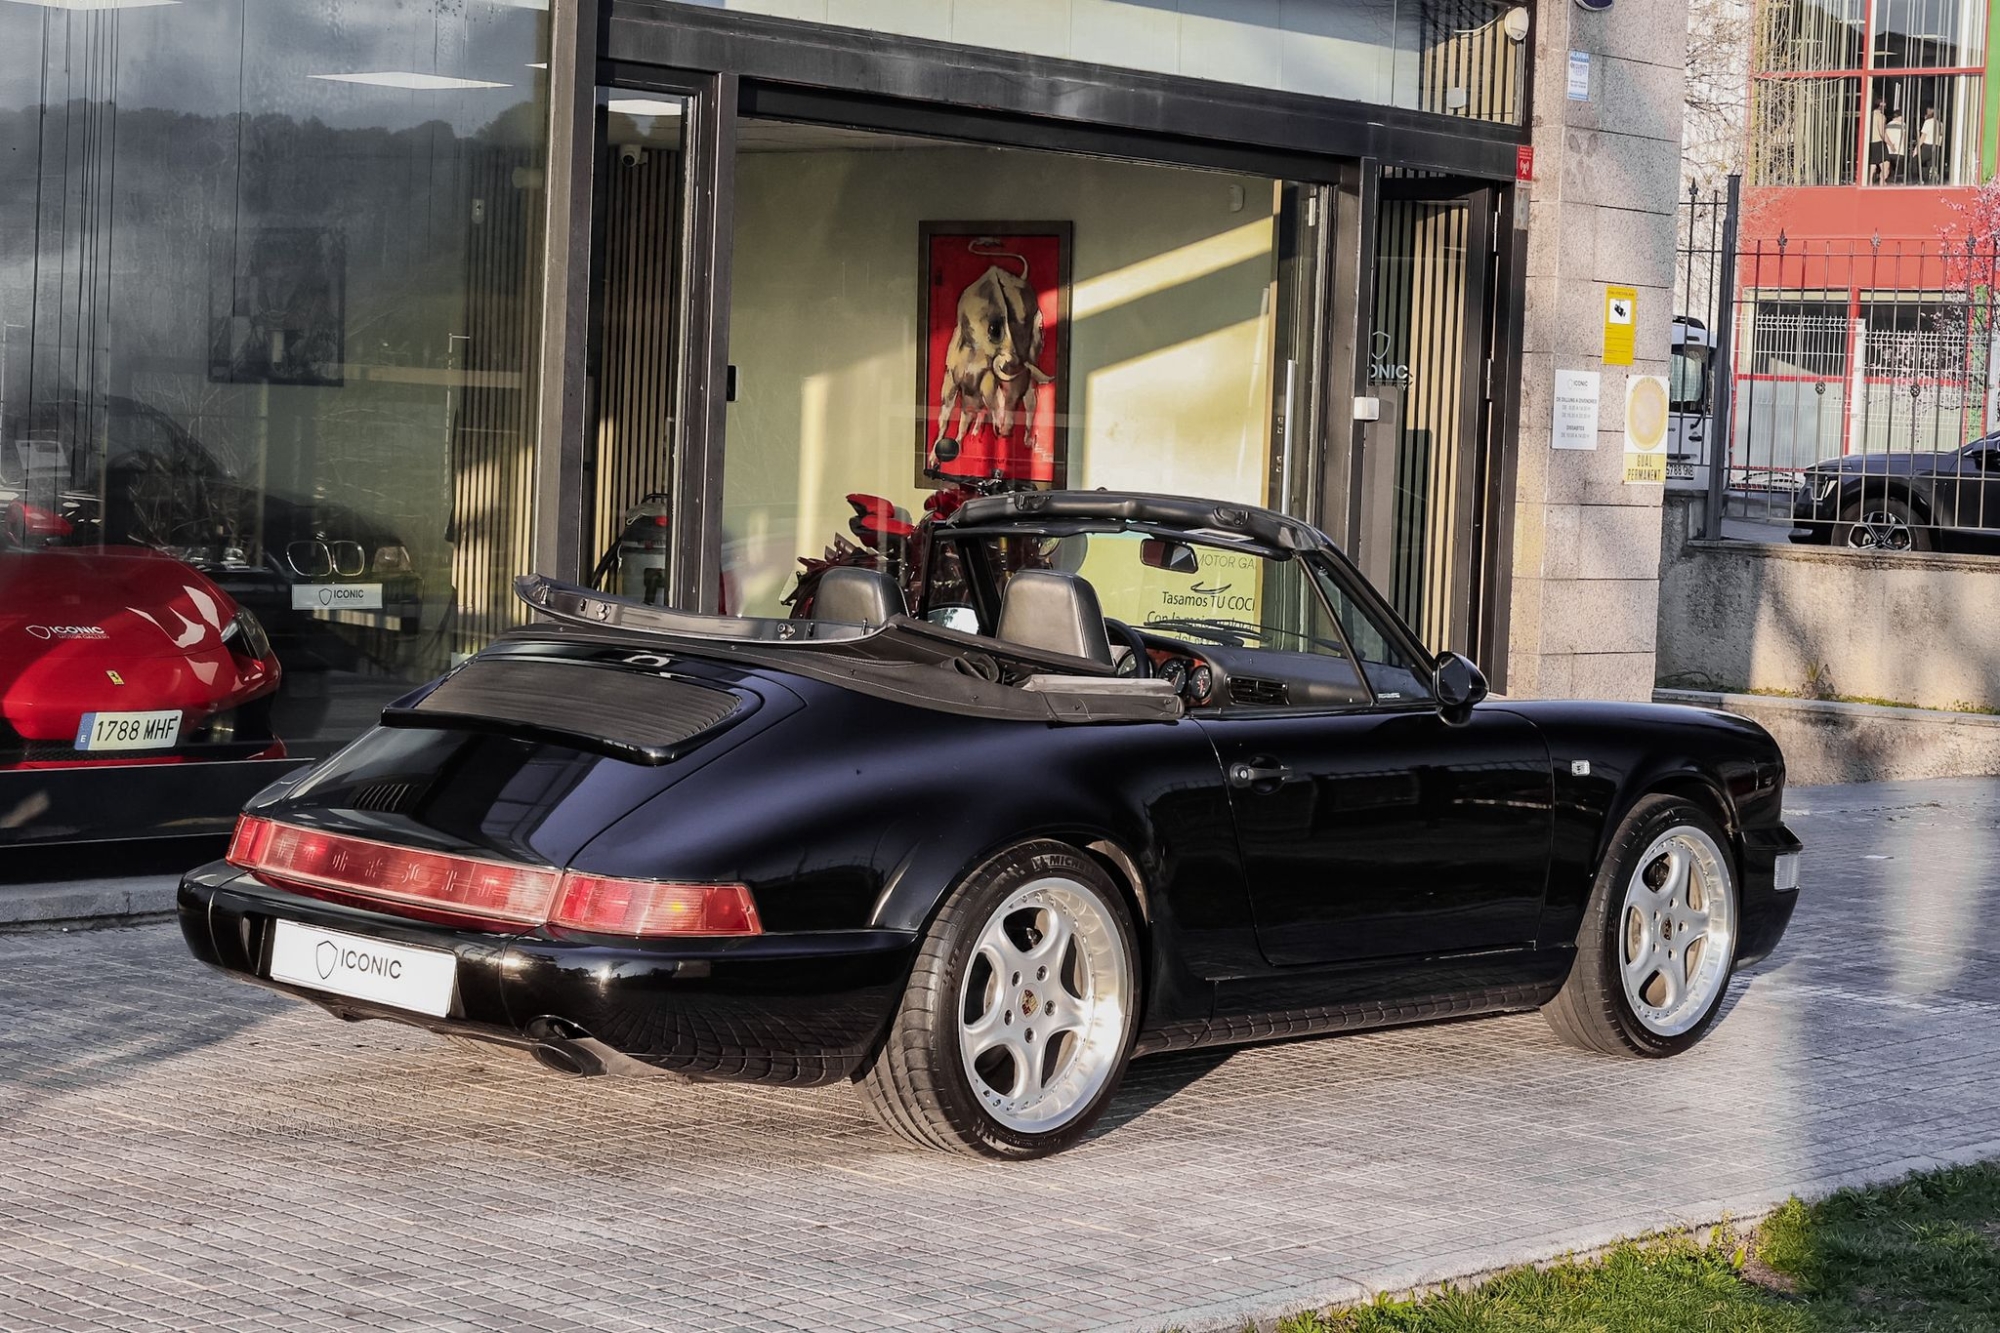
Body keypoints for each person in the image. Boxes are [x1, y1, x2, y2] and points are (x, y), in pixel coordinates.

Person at [1883, 107, 1908, 183]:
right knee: (1899, 172)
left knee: (1890, 170)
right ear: (1899, 116)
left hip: (1889, 151)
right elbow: (1904, 138)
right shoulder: (1903, 125)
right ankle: (1897, 182)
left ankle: (1889, 182)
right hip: (1899, 151)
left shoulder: (1887, 125)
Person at [1918, 104, 1940, 184]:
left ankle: (1920, 179)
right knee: (1931, 163)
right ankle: (1932, 179)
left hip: (1927, 146)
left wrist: (1917, 148)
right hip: (1936, 146)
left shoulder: (1927, 122)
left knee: (1917, 161)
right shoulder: (1940, 124)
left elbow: (1923, 136)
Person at [1870, 94, 1890, 184]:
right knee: (1886, 164)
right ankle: (1882, 182)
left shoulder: (1870, 115)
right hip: (1878, 142)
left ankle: (1869, 182)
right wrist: (1890, 144)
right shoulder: (1881, 116)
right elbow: (1882, 132)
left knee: (1873, 164)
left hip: (1871, 143)